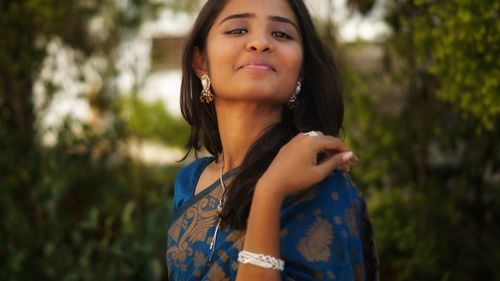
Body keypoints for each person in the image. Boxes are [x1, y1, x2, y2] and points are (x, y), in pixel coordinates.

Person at [166, 0, 379, 280]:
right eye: (238, 29)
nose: (260, 42)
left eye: (281, 34)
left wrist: (269, 193)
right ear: (201, 62)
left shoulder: (322, 187)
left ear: (301, 70)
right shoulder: (189, 183)